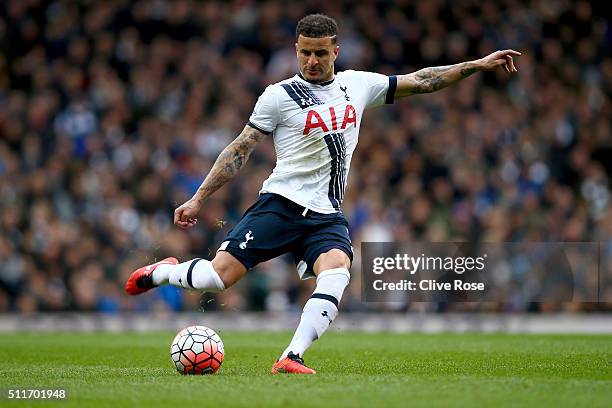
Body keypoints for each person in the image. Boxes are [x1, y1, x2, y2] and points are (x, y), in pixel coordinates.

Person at [125, 14, 520, 374]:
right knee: (217, 277)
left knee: (337, 271)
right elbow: (240, 149)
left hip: (326, 214)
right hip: (279, 205)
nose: (312, 61)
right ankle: (160, 272)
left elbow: (423, 80)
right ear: (295, 51)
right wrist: (198, 198)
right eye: (305, 53)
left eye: (320, 53)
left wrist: (477, 65)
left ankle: (291, 356)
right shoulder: (278, 96)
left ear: (336, 51)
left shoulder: (357, 85)